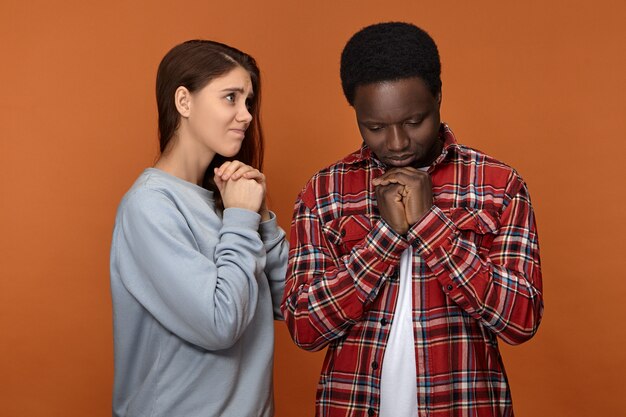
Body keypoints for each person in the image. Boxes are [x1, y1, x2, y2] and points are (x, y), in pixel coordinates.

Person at [282, 22, 543, 417]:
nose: (398, 143)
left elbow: (520, 319)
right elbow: (304, 326)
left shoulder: (498, 185)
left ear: (438, 95)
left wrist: (430, 226)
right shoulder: (323, 192)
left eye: (414, 121)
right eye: (375, 127)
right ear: (354, 110)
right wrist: (385, 236)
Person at [110, 40, 288, 417]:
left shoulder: (227, 197)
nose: (246, 116)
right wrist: (241, 220)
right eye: (230, 98)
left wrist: (260, 216)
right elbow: (219, 325)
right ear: (184, 102)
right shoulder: (150, 205)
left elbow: (289, 300)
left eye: (249, 102)